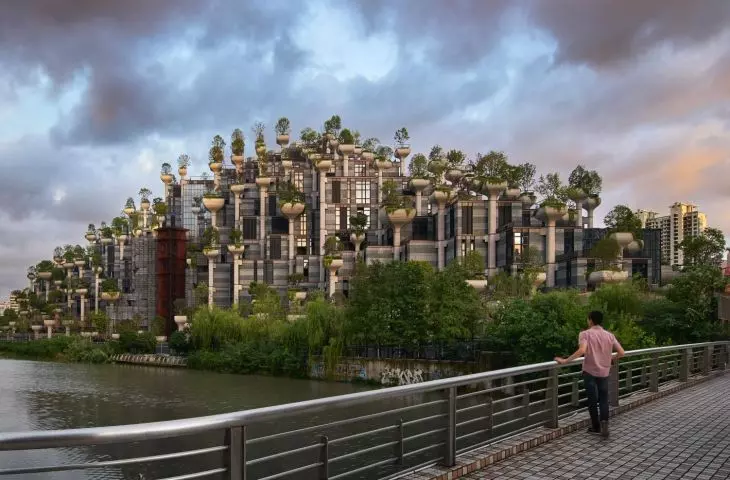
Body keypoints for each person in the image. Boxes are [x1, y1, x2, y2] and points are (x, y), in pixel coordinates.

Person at [554, 310, 624, 438]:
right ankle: (605, 424)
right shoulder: (609, 335)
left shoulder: (585, 334)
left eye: (588, 319)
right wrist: (612, 359)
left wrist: (565, 361)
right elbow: (621, 352)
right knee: (603, 399)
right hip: (604, 371)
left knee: (592, 400)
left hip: (589, 372)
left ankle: (596, 427)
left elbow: (582, 350)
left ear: (590, 320)